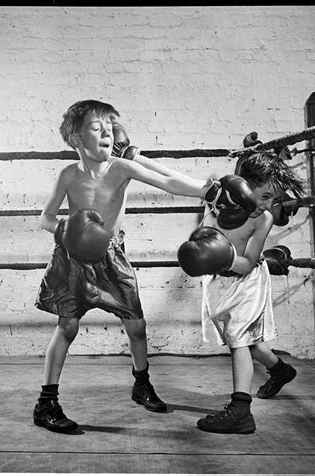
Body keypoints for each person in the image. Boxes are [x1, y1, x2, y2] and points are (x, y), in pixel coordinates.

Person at [33, 99, 249, 434]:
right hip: (73, 257)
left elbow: (167, 182)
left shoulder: (121, 168)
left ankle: (141, 384)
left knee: (136, 327)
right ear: (76, 139)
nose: (107, 131)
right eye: (95, 126)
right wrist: (63, 230)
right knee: (67, 329)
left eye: (109, 125)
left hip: (112, 256)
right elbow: (45, 217)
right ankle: (45, 403)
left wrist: (209, 192)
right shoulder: (68, 175)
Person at [177, 151, 304, 434]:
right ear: (243, 187)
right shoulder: (217, 205)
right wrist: (203, 251)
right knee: (248, 341)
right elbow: (201, 237)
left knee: (239, 342)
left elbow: (246, 263)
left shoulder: (264, 219)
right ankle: (280, 370)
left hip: (248, 281)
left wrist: (225, 257)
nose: (269, 204)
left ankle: (240, 410)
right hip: (218, 281)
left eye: (275, 198)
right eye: (264, 196)